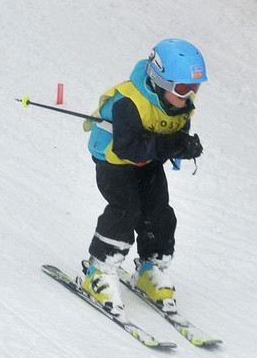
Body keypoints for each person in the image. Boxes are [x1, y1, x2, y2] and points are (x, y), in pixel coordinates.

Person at [80, 39, 207, 317]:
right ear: (160, 80)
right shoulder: (129, 103)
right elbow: (126, 149)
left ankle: (151, 268)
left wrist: (184, 147)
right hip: (113, 160)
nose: (188, 95)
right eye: (182, 88)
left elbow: (170, 139)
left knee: (159, 211)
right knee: (126, 210)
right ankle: (98, 270)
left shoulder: (180, 105)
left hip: (147, 162)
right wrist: (166, 145)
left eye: (195, 88)